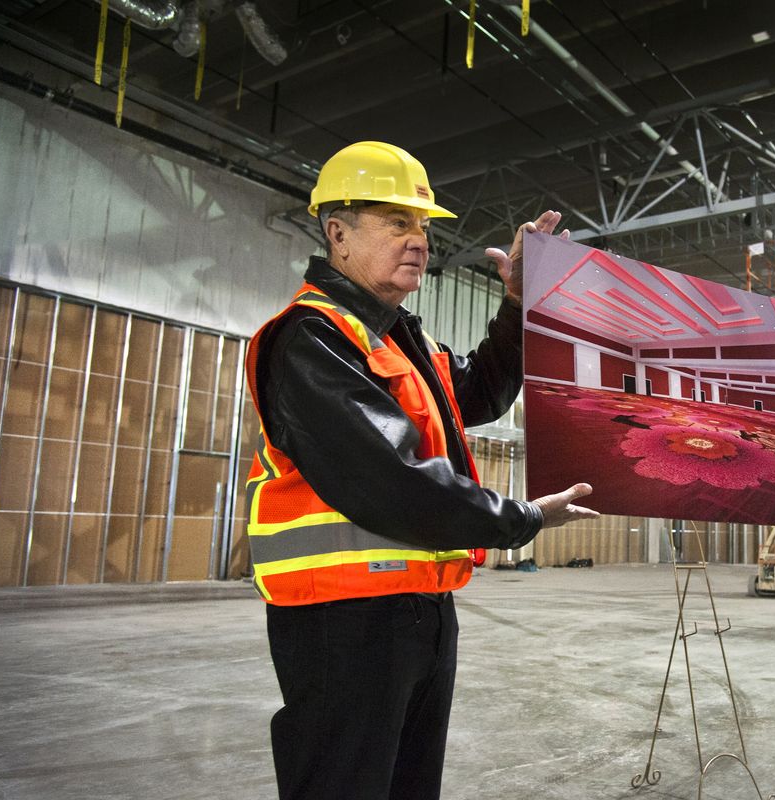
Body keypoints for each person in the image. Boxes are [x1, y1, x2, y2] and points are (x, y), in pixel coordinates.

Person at [243, 141, 599, 800]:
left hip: (420, 611)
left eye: (424, 226)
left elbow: (482, 392)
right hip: (342, 622)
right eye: (397, 221)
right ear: (338, 233)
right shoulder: (311, 341)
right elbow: (394, 480)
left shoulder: (402, 341)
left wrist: (518, 305)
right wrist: (522, 518)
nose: (419, 240)